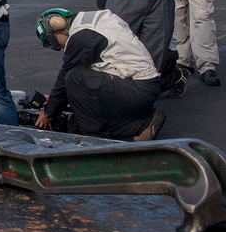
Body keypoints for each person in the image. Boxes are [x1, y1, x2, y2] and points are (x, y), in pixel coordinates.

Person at [34, 8, 164, 141]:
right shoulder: (93, 22)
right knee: (76, 125)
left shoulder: (81, 37)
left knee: (75, 78)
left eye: (52, 42)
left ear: (58, 25)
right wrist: (56, 100)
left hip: (138, 89)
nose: (57, 47)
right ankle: (142, 122)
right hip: (138, 86)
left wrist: (48, 113)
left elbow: (66, 76)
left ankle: (96, 140)